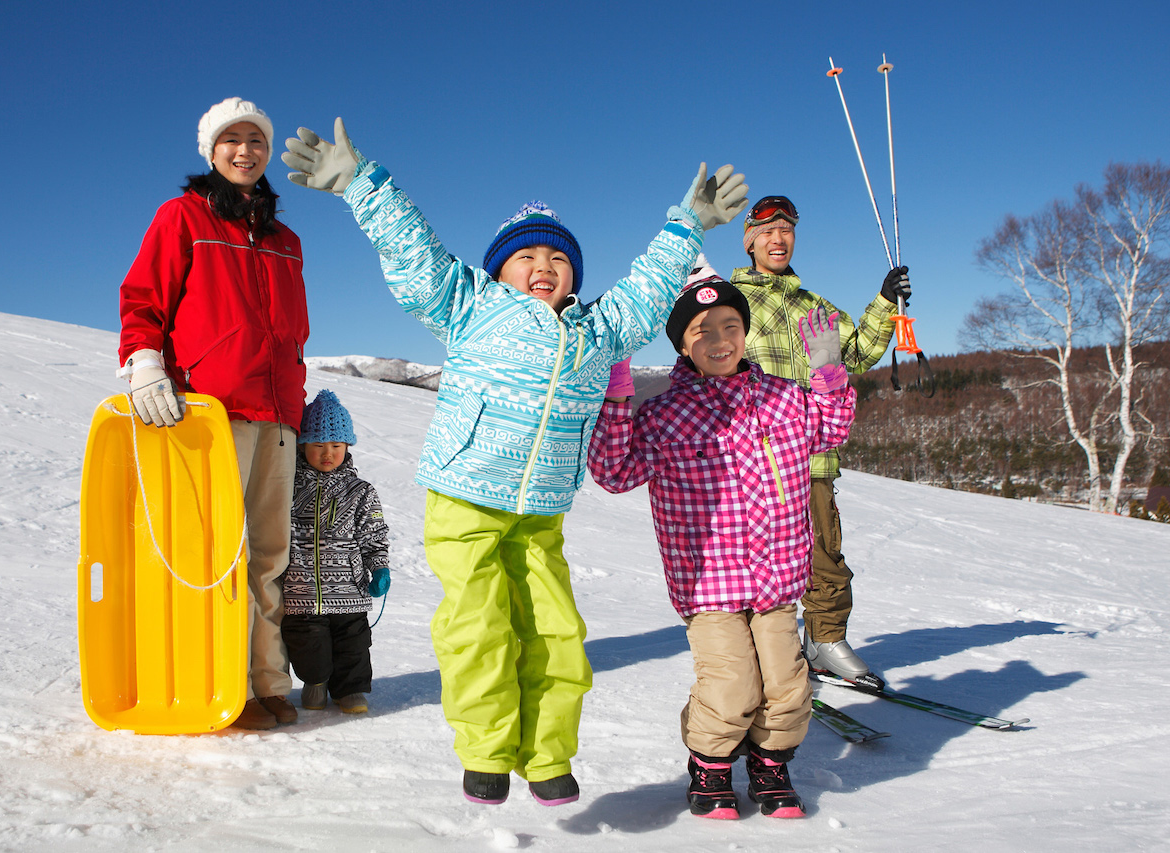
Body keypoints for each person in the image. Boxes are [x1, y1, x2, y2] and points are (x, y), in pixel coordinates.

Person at [281, 117, 748, 806]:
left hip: (540, 514)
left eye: (558, 259)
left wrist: (688, 224)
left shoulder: (599, 330)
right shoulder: (469, 305)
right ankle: (488, 750)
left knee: (556, 634)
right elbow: (416, 255)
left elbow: (649, 287)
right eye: (526, 257)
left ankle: (548, 753)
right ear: (499, 268)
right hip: (465, 497)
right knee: (479, 627)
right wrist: (359, 183)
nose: (543, 267)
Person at [588, 274, 857, 820]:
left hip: (778, 576)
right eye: (701, 329)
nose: (719, 338)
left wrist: (830, 377)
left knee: (786, 684)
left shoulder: (784, 399)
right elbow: (613, 472)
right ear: (682, 346)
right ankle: (709, 766)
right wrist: (616, 397)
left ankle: (770, 764)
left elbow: (828, 432)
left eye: (730, 325)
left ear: (745, 334)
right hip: (707, 583)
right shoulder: (664, 415)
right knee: (733, 683)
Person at [117, 97, 309, 731]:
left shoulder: (286, 240)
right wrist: (145, 363)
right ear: (211, 150)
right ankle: (223, 685)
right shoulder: (183, 217)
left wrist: (299, 406)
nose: (245, 150)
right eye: (232, 139)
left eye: (256, 140)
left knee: (271, 556)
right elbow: (144, 296)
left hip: (278, 414)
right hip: (211, 412)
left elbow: (292, 332)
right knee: (217, 555)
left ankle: (268, 682)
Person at [724, 195, 910, 687]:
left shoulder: (815, 308)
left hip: (812, 457)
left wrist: (885, 303)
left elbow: (858, 354)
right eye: (766, 232)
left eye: (785, 231)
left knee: (824, 555)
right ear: (749, 241)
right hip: (753, 462)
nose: (777, 239)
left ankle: (824, 641)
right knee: (751, 563)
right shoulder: (730, 301)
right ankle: (754, 656)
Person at [281, 390, 390, 716]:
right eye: (318, 445)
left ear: (347, 447)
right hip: (301, 593)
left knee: (353, 647)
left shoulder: (360, 492)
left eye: (336, 446)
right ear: (303, 446)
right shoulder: (289, 487)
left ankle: (350, 689)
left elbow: (375, 536)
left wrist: (379, 568)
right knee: (307, 645)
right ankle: (315, 682)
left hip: (349, 591)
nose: (327, 453)